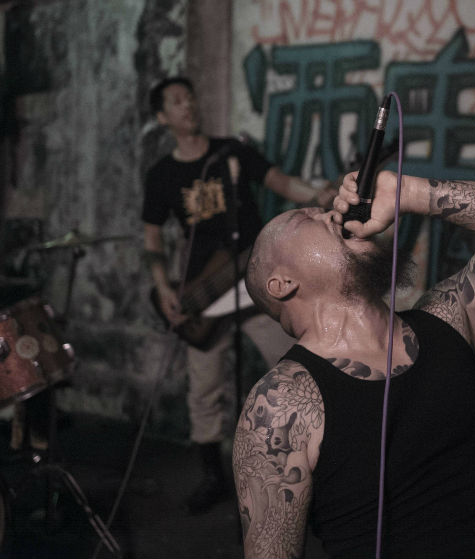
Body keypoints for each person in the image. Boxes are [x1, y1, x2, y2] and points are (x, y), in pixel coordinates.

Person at [232, 170, 475, 558]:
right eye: (305, 218)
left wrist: (412, 193)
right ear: (282, 284)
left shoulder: (452, 322)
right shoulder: (280, 404)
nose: (332, 212)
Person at [141, 77, 336, 514]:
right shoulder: (162, 175)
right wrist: (162, 287)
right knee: (204, 388)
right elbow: (152, 238)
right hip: (202, 294)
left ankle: (309, 469)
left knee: (293, 366)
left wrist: (319, 195)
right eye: (176, 101)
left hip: (255, 279)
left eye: (190, 97)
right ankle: (212, 475)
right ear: (162, 117)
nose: (187, 105)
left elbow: (281, 184)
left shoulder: (231, 152)